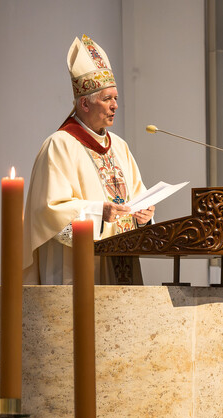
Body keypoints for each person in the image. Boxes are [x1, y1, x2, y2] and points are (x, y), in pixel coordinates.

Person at [23, 34, 155, 285]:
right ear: (84, 103)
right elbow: (49, 213)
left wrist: (146, 215)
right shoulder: (59, 145)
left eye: (116, 98)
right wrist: (99, 212)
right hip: (77, 272)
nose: (115, 105)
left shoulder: (120, 147)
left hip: (123, 265)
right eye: (107, 99)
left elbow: (140, 197)